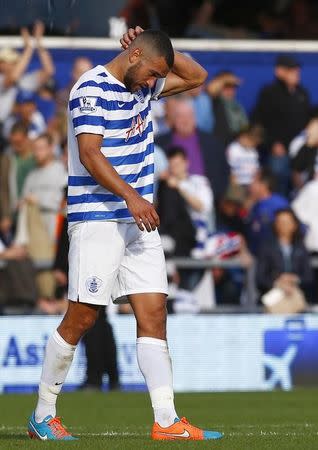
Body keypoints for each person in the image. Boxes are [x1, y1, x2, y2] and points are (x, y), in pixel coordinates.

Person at [27, 26, 222, 442]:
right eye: (152, 72)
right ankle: (43, 414)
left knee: (153, 313)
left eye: (158, 75)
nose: (155, 84)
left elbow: (197, 76)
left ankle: (166, 421)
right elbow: (90, 153)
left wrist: (162, 45)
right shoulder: (90, 89)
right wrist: (133, 197)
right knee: (82, 317)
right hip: (98, 217)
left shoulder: (142, 86)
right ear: (132, 57)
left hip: (138, 221)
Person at [252, 54, 310, 160]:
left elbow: (308, 120)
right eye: (290, 69)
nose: (296, 72)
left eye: (296, 69)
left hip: (301, 151)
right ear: (279, 71)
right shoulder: (269, 93)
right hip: (279, 152)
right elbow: (259, 122)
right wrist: (272, 144)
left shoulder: (302, 93)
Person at [0, 21, 55, 126]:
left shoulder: (23, 81)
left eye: (14, 62)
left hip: (20, 129)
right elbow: (12, 78)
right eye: (9, 61)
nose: (14, 64)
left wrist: (38, 42)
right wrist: (29, 48)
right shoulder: (2, 79)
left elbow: (49, 71)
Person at [256, 208, 312, 310]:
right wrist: (278, 282)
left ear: (294, 225)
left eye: (287, 222)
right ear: (275, 225)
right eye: (280, 222)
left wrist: (294, 279)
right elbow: (260, 277)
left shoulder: (300, 247)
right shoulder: (266, 247)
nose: (284, 225)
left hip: (297, 294)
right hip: (273, 294)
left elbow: (308, 276)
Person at [247, 169, 289, 255]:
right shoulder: (255, 206)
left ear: (264, 185)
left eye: (254, 181)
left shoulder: (278, 204)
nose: (250, 185)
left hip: (274, 261)